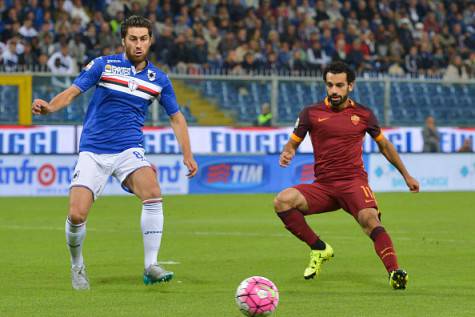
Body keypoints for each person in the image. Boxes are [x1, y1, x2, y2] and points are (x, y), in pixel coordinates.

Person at [32, 16, 198, 290]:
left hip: (129, 149)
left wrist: (187, 154)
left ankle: (150, 266)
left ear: (150, 40)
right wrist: (49, 107)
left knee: (153, 191)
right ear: (123, 40)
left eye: (143, 39)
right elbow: (73, 92)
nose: (138, 44)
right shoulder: (104, 65)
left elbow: (177, 117)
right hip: (93, 151)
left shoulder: (158, 79)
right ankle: (77, 265)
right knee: (76, 215)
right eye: (133, 39)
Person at [274, 61, 419, 290]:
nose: (333, 90)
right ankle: (319, 248)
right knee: (282, 201)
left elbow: (384, 146)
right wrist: (287, 153)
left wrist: (406, 175)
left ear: (350, 86)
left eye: (339, 85)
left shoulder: (363, 114)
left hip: (353, 183)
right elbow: (292, 144)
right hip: (324, 187)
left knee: (370, 220)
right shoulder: (310, 113)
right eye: (330, 85)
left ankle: (394, 272)